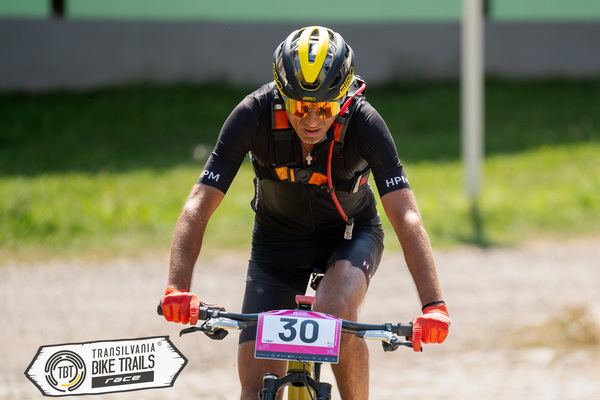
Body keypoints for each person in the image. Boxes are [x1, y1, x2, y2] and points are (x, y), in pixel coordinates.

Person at [160, 26, 450, 400]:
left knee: (333, 312)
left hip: (350, 237)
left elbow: (407, 217)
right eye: (300, 107)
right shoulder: (253, 114)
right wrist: (178, 287)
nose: (312, 121)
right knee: (255, 386)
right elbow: (198, 205)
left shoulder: (365, 123)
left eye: (325, 109)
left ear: (343, 99)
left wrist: (434, 305)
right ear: (281, 95)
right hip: (276, 244)